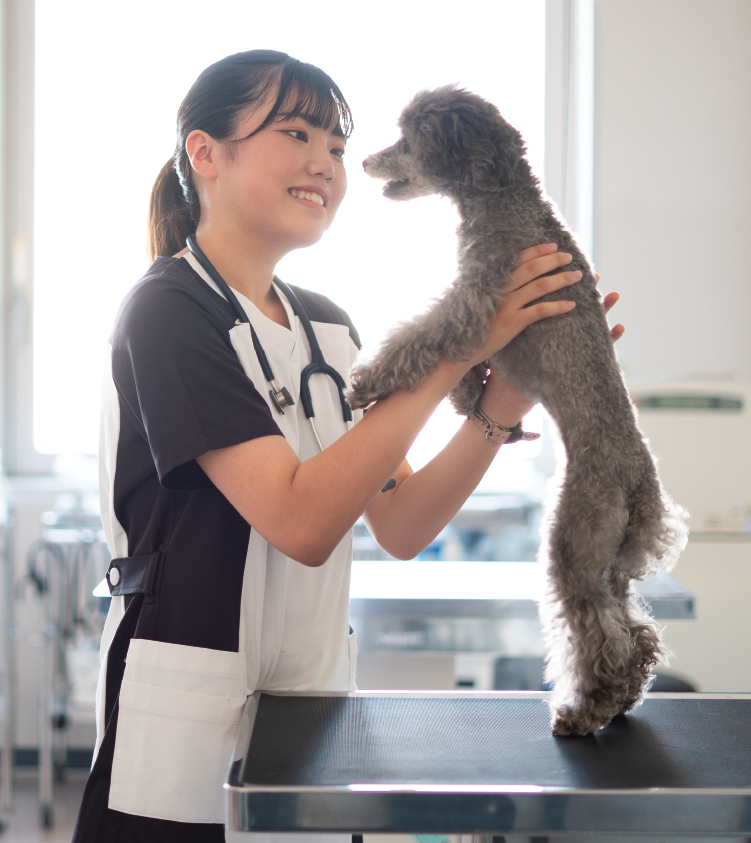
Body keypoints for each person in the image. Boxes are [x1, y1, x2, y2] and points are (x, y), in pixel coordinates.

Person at [72, 49, 622, 842]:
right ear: (206, 153)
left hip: (313, 709)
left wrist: (505, 395)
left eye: (334, 145)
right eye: (296, 133)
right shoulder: (168, 313)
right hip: (184, 726)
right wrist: (461, 347)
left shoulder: (328, 324)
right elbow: (300, 522)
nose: (326, 163)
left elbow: (401, 524)